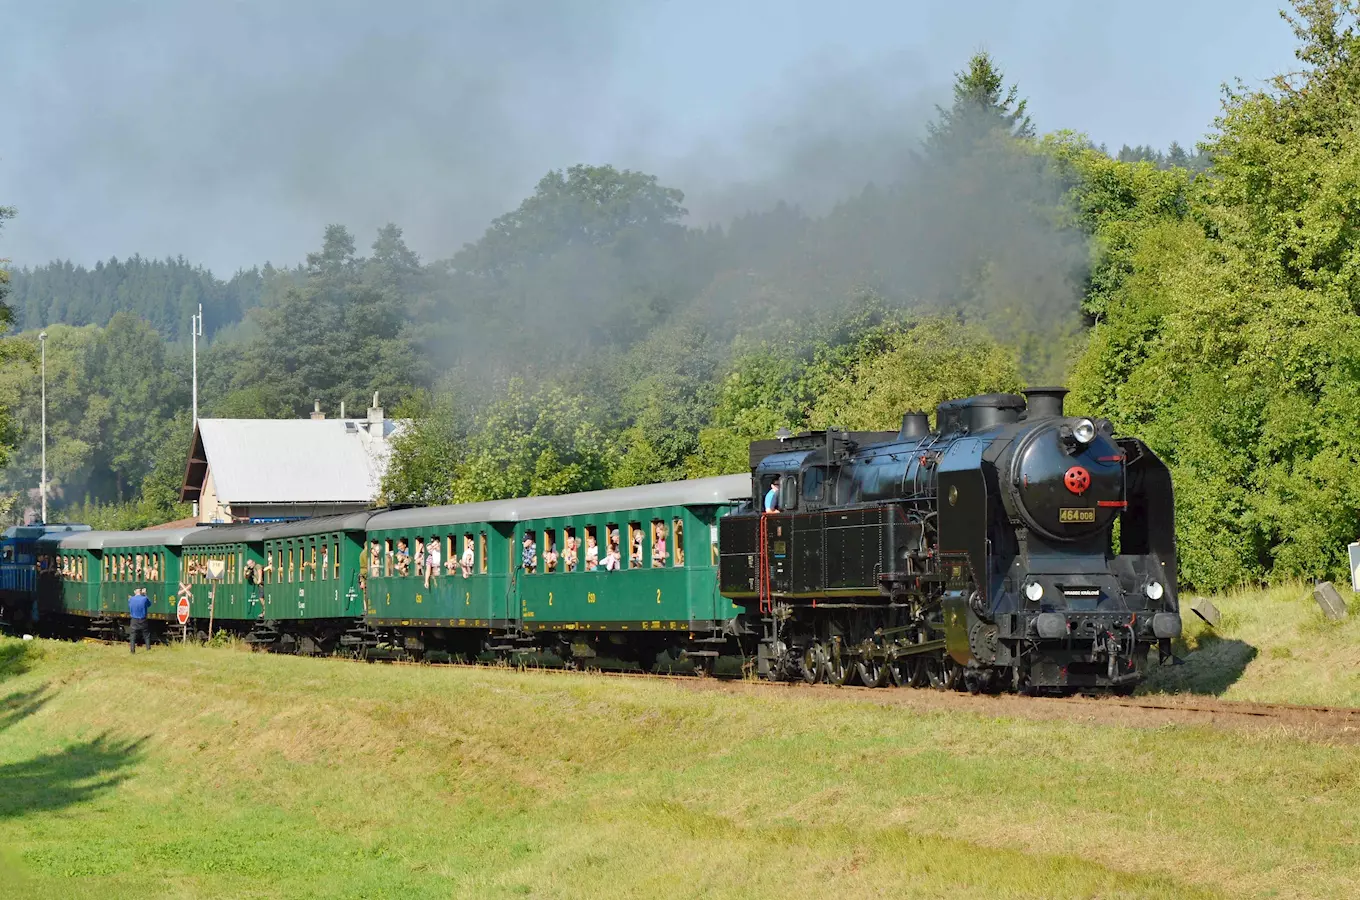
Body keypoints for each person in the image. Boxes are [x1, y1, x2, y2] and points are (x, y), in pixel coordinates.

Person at [127, 586, 151, 654]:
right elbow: (149, 604)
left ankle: (132, 650)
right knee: (146, 635)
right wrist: (145, 594)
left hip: (134, 619)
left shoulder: (131, 599)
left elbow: (129, 606)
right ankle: (148, 649)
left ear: (135, 592)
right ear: (141, 592)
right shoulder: (144, 599)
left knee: (133, 636)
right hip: (143, 619)